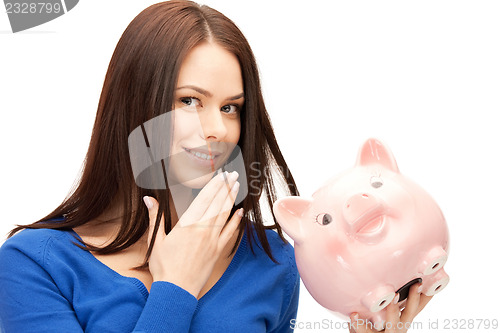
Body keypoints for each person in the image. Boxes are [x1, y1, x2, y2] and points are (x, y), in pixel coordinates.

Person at [0, 1, 301, 332]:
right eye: (189, 101)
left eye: (230, 107)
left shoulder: (271, 262)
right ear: (133, 103)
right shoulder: (35, 264)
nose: (218, 128)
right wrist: (176, 288)